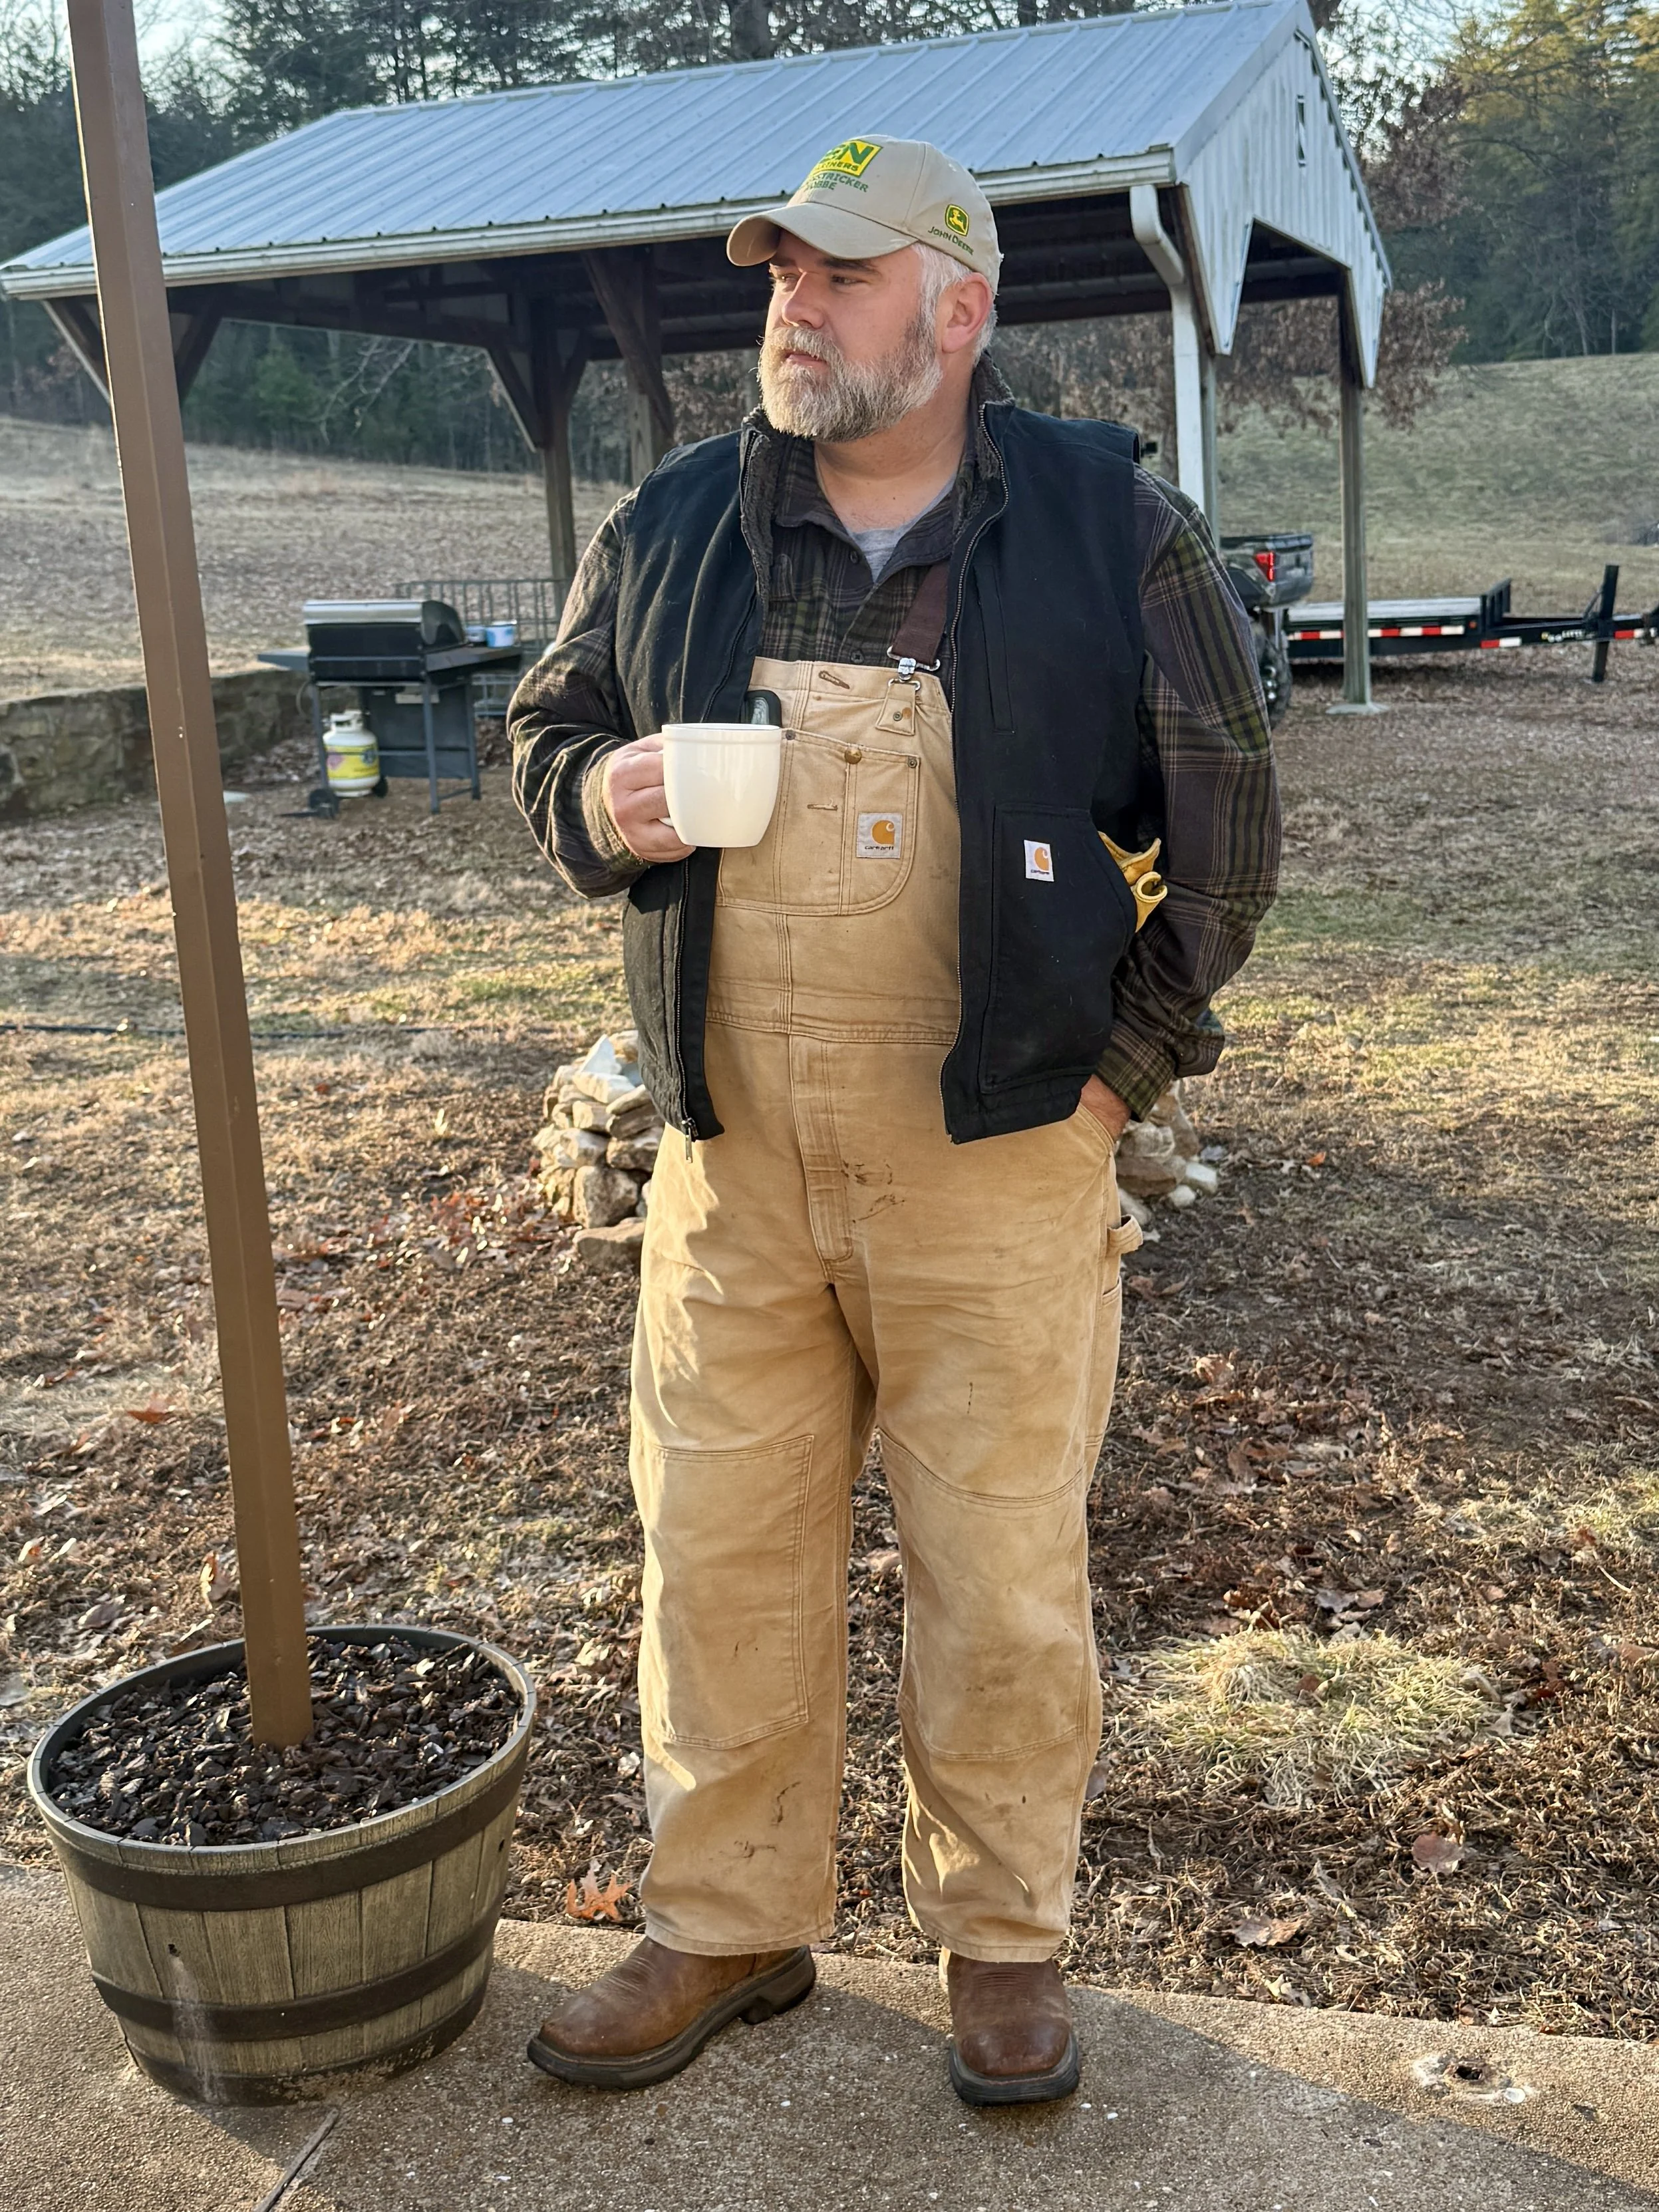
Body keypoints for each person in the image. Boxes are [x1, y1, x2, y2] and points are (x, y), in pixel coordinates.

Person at [510, 136, 1279, 2106]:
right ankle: (728, 1913)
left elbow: (1228, 836)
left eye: (841, 276)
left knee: (1000, 1573)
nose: (792, 305)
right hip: (733, 1162)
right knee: (718, 1552)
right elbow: (547, 733)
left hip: (1002, 1157)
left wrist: (1119, 1082)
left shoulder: (1114, 528)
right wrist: (602, 805)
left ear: (957, 310)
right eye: (778, 271)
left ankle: (1002, 1942)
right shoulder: (671, 525)